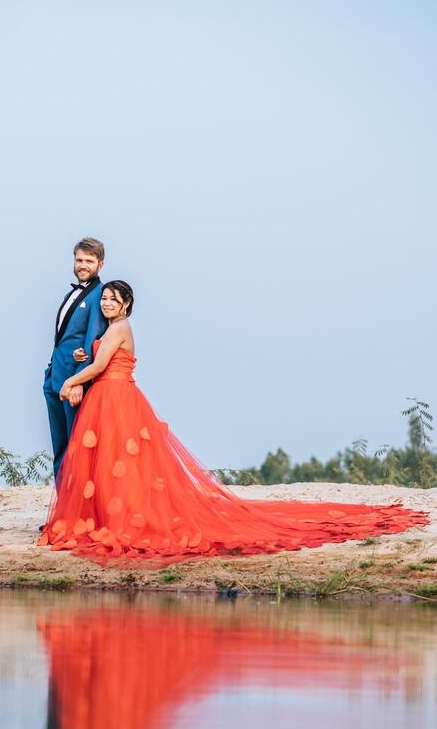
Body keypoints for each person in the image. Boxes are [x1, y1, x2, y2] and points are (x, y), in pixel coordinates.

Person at [39, 281, 429, 563]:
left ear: (126, 305)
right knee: (110, 464)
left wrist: (72, 380)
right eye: (104, 298)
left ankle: (120, 518)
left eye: (113, 299)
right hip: (108, 397)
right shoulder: (109, 329)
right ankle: (109, 514)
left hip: (117, 398)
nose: (107, 303)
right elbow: (100, 359)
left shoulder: (120, 328)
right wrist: (80, 365)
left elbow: (105, 363)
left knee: (119, 463)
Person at [43, 237, 107, 482]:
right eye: (79, 259)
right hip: (54, 381)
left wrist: (79, 381)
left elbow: (93, 339)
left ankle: (78, 514)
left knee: (77, 447)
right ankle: (61, 514)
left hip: (74, 384)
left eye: (89, 261)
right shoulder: (70, 293)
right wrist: (49, 373)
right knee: (60, 448)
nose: (83, 265)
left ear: (100, 265)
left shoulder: (100, 294)